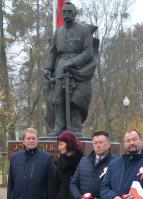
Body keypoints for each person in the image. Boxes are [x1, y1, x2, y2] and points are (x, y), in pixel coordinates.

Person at [44, 1, 97, 136]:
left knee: (76, 99)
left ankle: (76, 127)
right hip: (60, 66)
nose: (67, 14)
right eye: (64, 12)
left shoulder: (84, 31)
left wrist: (73, 62)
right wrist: (48, 68)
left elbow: (88, 52)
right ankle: (59, 126)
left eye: (69, 12)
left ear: (75, 13)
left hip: (80, 69)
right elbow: (52, 52)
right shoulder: (58, 33)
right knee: (57, 98)